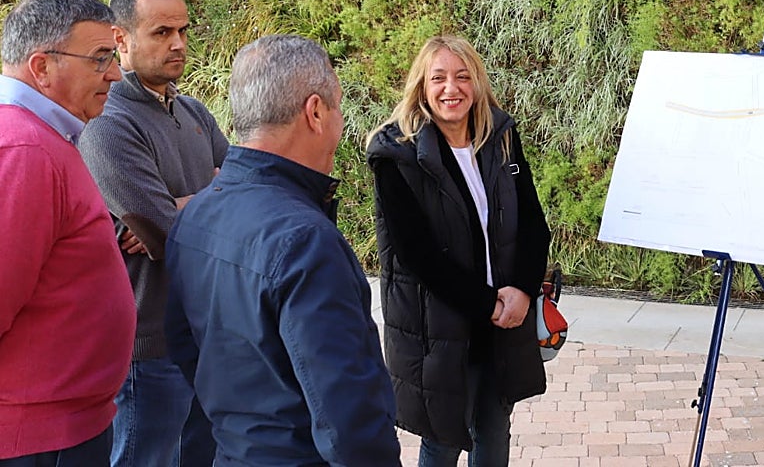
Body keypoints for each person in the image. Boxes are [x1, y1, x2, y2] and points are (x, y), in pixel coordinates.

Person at [165, 35, 399, 465]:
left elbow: (184, 349)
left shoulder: (196, 215)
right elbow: (347, 413)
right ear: (315, 112)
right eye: (338, 107)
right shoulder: (305, 241)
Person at [367, 35, 550, 466]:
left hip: (503, 319)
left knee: (494, 428)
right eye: (439, 78)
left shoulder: (500, 138)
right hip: (439, 324)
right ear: (422, 87)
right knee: (444, 437)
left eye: (463, 76)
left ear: (477, 83)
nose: (452, 88)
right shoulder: (397, 154)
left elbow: (533, 224)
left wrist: (521, 290)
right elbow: (417, 254)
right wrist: (486, 302)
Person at [79, 0, 228, 467]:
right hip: (147, 342)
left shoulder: (196, 114)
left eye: (183, 30)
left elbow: (253, 199)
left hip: (205, 331)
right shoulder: (108, 121)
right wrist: (210, 195)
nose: (179, 44)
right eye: (162, 32)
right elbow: (163, 232)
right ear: (120, 40)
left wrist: (183, 204)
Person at [0, 0, 136, 465]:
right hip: (38, 434)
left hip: (54, 425)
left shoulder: (37, 139)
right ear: (42, 67)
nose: (116, 75)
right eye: (101, 59)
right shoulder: (24, 150)